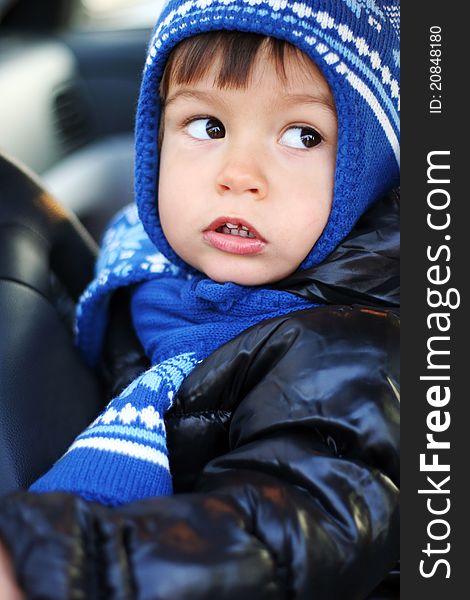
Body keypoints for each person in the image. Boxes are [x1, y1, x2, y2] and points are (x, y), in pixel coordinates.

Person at [0, 0, 400, 597]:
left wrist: (45, 564)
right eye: (208, 127)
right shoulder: (143, 271)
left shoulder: (351, 354)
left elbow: (273, 539)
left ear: (368, 175)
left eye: (302, 135)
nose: (238, 173)